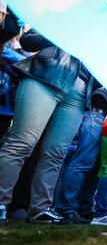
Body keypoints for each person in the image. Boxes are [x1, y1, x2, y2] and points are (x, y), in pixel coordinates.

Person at [0, 30, 96, 224]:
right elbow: (27, 41)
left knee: (56, 153)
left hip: (79, 92)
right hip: (47, 75)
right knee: (22, 142)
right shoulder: (62, 14)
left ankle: (40, 208)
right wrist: (61, 33)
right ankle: (1, 202)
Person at [54, 88, 107, 224]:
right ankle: (65, 209)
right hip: (96, 115)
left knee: (94, 170)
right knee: (81, 165)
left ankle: (83, 209)